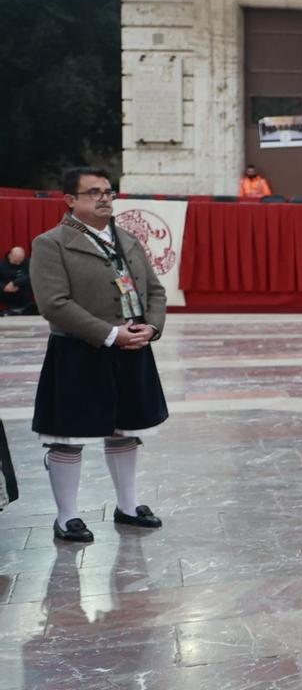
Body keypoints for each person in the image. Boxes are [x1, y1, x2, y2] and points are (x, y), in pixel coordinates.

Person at [30, 167, 170, 544]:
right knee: (68, 437)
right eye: (93, 192)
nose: (104, 198)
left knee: (125, 431)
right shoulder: (51, 243)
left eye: (108, 191)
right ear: (70, 200)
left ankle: (128, 506)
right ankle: (67, 517)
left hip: (132, 349)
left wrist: (151, 327)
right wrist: (110, 334)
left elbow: (155, 292)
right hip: (79, 351)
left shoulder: (128, 241)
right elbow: (54, 304)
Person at [1, 245, 35, 316]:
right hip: (7, 294)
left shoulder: (28, 262)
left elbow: (33, 275)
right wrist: (4, 287)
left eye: (20, 261)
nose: (18, 263)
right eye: (15, 261)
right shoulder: (2, 265)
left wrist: (15, 283)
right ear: (10, 256)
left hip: (25, 294)